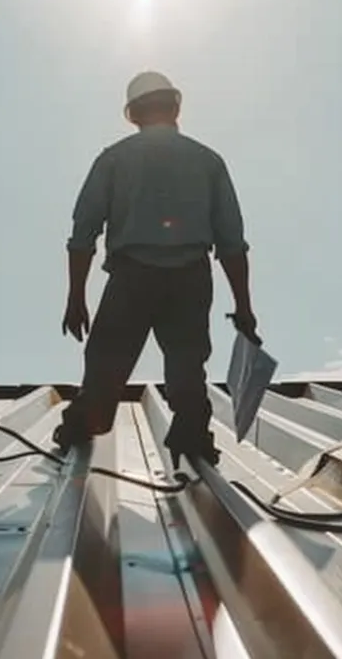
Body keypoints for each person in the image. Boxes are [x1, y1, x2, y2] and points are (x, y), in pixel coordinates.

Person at [54, 70, 259, 467]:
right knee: (187, 371)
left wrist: (76, 297)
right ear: (176, 107)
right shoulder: (208, 161)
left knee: (103, 371)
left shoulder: (113, 159)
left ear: (132, 115)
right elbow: (232, 244)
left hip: (132, 278)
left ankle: (83, 426)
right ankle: (193, 440)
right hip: (190, 278)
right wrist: (245, 307)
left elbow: (83, 236)